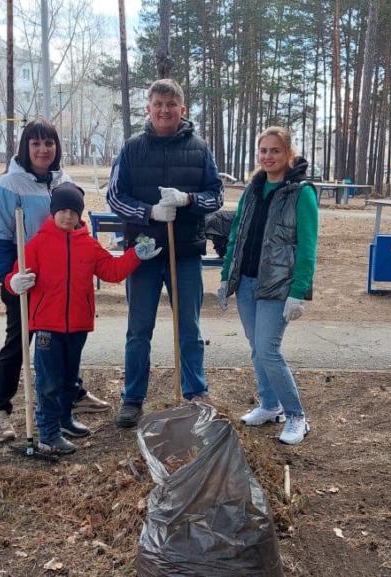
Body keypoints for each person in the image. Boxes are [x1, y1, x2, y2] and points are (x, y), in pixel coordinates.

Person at [5, 183, 163, 455]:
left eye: (73, 211)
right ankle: (48, 432)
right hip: (47, 326)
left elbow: (111, 271)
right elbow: (17, 277)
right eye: (62, 210)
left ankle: (65, 420)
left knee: (69, 378)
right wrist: (14, 282)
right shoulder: (38, 244)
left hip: (77, 325)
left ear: (80, 214)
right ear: (53, 212)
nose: (67, 216)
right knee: (48, 382)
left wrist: (135, 255)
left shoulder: (88, 245)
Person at [106, 78, 224, 428]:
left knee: (189, 326)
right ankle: (132, 398)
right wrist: (149, 213)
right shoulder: (131, 149)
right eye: (158, 104)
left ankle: (194, 393)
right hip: (143, 254)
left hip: (184, 253)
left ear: (182, 109)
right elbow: (114, 197)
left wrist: (188, 200)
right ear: (148, 109)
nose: (164, 110)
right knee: (139, 328)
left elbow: (215, 196)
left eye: (171, 104)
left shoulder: (200, 149)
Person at [0, 119, 110, 444]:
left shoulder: (63, 180)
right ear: (26, 148)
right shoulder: (9, 185)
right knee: (19, 343)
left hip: (59, 284)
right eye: (36, 144)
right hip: (26, 279)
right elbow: (0, 238)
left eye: (49, 144)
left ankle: (70, 400)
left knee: (65, 343)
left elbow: (76, 226)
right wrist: (8, 280)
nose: (43, 150)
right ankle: (1, 412)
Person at [215, 126, 318, 445]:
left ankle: (297, 416)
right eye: (263, 151)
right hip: (246, 282)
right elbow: (236, 235)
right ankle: (270, 406)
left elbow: (307, 245)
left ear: (289, 153)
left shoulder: (301, 192)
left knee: (269, 349)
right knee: (257, 348)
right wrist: (225, 276)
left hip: (277, 285)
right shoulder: (252, 189)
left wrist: (298, 291)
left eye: (275, 150)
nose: (268, 156)